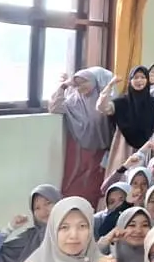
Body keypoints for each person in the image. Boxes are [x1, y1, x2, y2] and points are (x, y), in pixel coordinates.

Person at [49, 67, 115, 202]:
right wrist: (64, 86)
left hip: (103, 151)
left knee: (98, 186)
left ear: (94, 81)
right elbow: (54, 107)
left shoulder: (105, 101)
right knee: (76, 185)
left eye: (84, 82)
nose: (80, 87)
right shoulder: (74, 101)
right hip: (80, 150)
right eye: (77, 84)